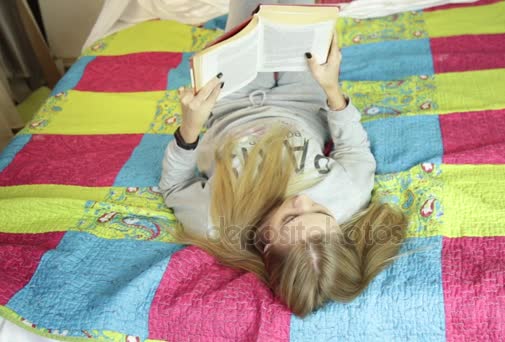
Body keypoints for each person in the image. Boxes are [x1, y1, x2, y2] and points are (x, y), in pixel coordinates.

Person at [159, 1, 407, 317]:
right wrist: (331, 87)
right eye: (320, 212)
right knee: (298, 9)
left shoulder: (215, 221)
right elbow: (353, 149)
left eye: (291, 219)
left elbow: (175, 186)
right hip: (303, 99)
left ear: (265, 242)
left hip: (230, 102)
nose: (304, 201)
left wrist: (190, 126)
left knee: (246, 10)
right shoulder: (347, 198)